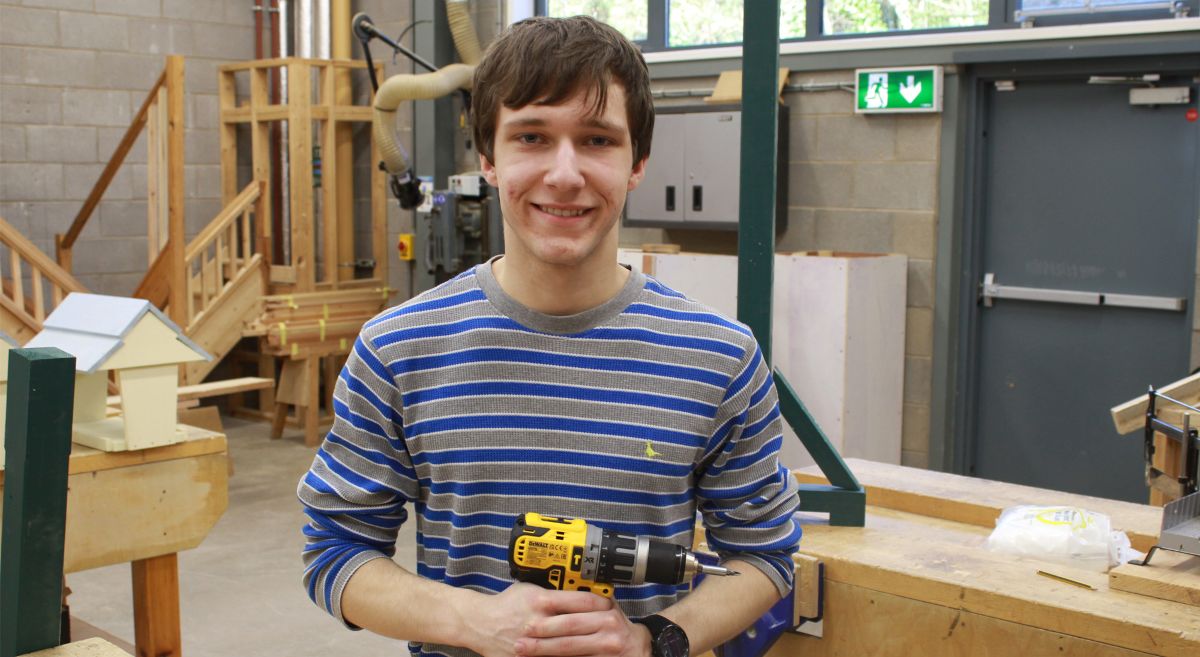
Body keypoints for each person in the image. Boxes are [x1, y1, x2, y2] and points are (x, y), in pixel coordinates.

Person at [298, 15, 801, 657]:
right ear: (488, 157)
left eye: (597, 140)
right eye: (532, 136)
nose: (565, 175)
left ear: (637, 161)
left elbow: (765, 558)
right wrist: (473, 621)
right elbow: (333, 551)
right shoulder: (399, 349)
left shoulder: (721, 358)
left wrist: (656, 640)